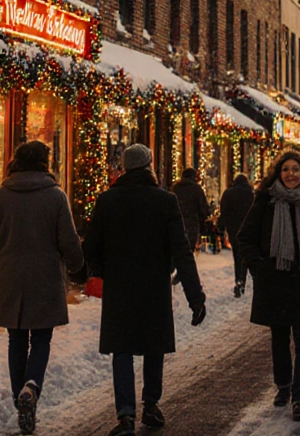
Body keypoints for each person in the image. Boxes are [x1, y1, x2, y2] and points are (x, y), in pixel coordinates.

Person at [83, 144, 207, 436]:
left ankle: (125, 415)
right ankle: (150, 405)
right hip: (154, 285)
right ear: (150, 166)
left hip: (120, 286)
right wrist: (195, 296)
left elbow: (91, 247)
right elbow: (182, 250)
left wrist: (99, 270)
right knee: (154, 346)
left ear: (124, 168)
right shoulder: (165, 201)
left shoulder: (106, 200)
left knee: (122, 349)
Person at [0, 141, 86, 436]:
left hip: (10, 277)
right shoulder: (55, 196)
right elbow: (68, 239)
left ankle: (20, 399)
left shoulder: (0, 196)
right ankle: (32, 387)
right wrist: (77, 265)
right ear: (44, 164)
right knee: (41, 339)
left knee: (16, 339)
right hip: (45, 278)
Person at [237, 150, 300, 423]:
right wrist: (261, 268)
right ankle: (284, 385)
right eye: (285, 170)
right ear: (278, 174)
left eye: (295, 169)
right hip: (277, 282)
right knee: (280, 339)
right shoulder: (266, 202)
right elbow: (245, 237)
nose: (291, 174)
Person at [218, 173, 256, 298]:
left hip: (234, 229)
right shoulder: (251, 193)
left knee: (237, 255)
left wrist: (221, 228)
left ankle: (238, 279)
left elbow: (224, 212)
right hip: (248, 229)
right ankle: (242, 280)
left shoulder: (228, 193)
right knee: (244, 255)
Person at [172, 167, 210, 252]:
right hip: (192, 223)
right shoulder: (196, 189)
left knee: (178, 248)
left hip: (177, 222)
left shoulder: (176, 188)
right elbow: (202, 207)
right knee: (189, 248)